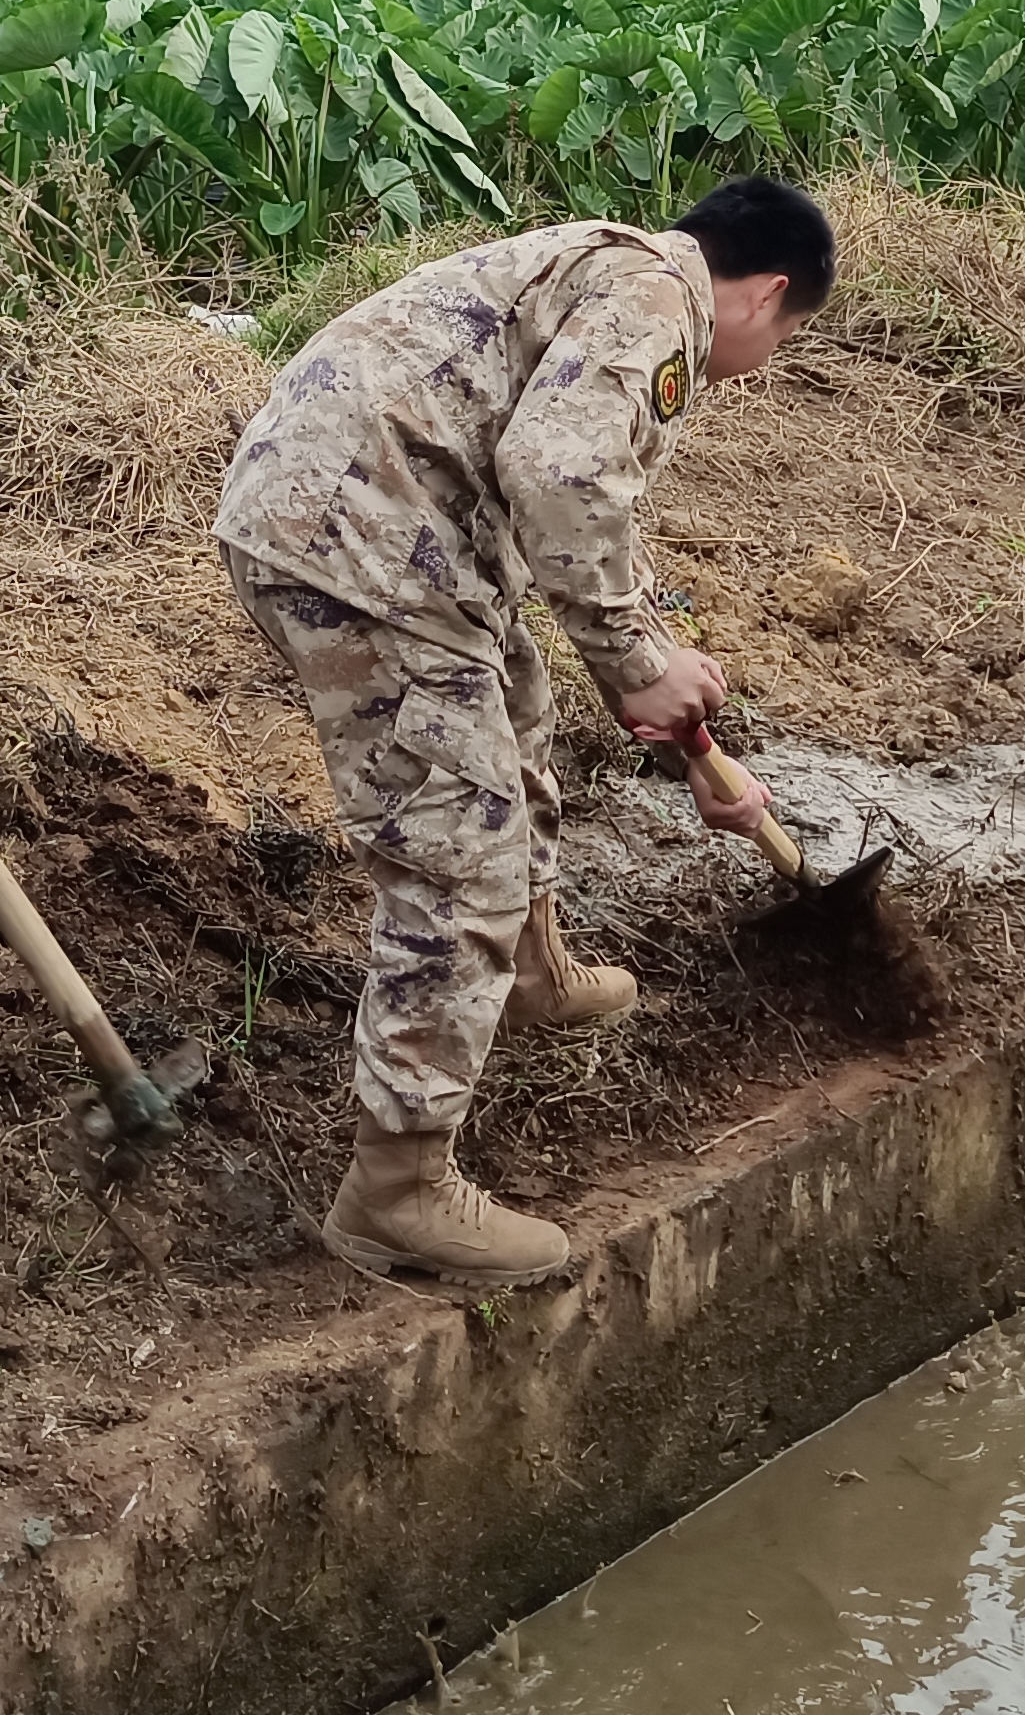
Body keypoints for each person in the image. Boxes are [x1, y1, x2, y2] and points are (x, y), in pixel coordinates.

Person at [215, 179, 829, 1285]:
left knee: (518, 707)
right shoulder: (659, 303)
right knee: (462, 848)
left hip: (394, 527)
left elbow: (575, 503)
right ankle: (396, 1191)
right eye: (786, 336)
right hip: (356, 546)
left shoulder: (624, 268)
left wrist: (652, 670)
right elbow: (560, 475)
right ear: (769, 292)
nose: (770, 360)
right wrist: (640, 663)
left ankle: (532, 972)